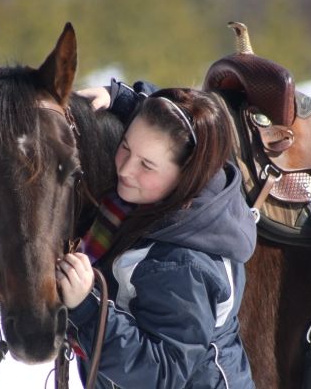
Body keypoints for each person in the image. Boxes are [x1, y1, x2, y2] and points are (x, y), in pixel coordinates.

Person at [56, 79, 257, 389]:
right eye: (125, 147)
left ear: (186, 174)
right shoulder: (179, 183)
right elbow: (171, 118)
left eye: (146, 165)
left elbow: (161, 373)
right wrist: (122, 99)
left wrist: (87, 310)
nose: (125, 170)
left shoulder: (184, 264)